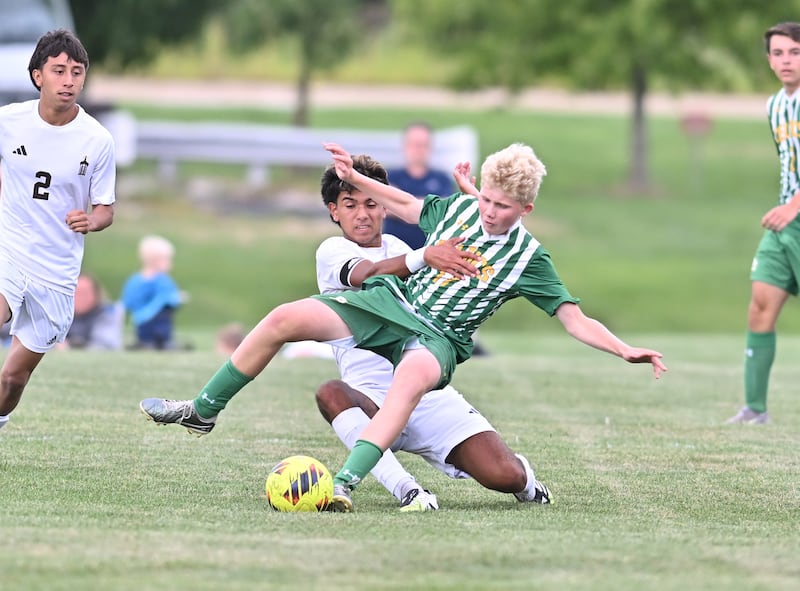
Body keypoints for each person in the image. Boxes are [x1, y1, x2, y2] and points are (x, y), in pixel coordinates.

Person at [139, 141, 666, 513]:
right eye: (482, 198)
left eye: (500, 206)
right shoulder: (449, 214)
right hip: (396, 308)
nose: (486, 211)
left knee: (488, 459)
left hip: (439, 339)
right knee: (284, 318)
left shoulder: (529, 258)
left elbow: (573, 318)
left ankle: (523, 482)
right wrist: (355, 176)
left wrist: (624, 349)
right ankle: (211, 416)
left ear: (525, 209)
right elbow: (404, 205)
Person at [314, 153, 554, 511]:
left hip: (427, 395)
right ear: (334, 211)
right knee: (331, 393)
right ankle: (409, 491)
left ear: (385, 207)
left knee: (504, 475)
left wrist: (476, 199)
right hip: (370, 396)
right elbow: (370, 273)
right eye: (350, 205)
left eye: (371, 203)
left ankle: (528, 482)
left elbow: (479, 235)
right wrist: (425, 256)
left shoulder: (405, 249)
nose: (362, 214)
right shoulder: (333, 250)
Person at [0, 29, 116, 432]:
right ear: (38, 76)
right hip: (10, 251)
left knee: (13, 379)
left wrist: (91, 221)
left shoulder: (98, 139)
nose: (69, 80)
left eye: (77, 72)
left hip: (57, 273)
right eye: (59, 70)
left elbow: (105, 210)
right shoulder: (8, 121)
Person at [727, 22, 800, 425]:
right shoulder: (776, 106)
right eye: (778, 53)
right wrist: (787, 209)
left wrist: (794, 206)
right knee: (760, 307)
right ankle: (755, 408)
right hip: (784, 224)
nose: (786, 60)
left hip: (794, 214)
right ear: (769, 59)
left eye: (794, 52)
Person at [383, 122, 455, 250]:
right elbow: (383, 206)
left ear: (430, 147)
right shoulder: (389, 177)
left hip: (430, 254)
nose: (418, 149)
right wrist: (427, 207)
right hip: (393, 254)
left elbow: (445, 210)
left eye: (423, 145)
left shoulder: (442, 179)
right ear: (405, 146)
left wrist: (399, 205)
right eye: (414, 144)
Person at [121, 235, 184, 350]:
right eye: (168, 259)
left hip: (139, 318)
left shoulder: (134, 280)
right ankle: (161, 343)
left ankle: (146, 342)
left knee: (145, 334)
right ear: (155, 259)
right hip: (158, 319)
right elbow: (169, 298)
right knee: (161, 331)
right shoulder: (163, 280)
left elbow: (127, 300)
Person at [60, 272, 123, 350]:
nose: (80, 298)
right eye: (76, 293)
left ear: (96, 295)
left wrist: (72, 346)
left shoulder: (106, 313)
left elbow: (108, 344)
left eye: (85, 293)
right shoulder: (60, 314)